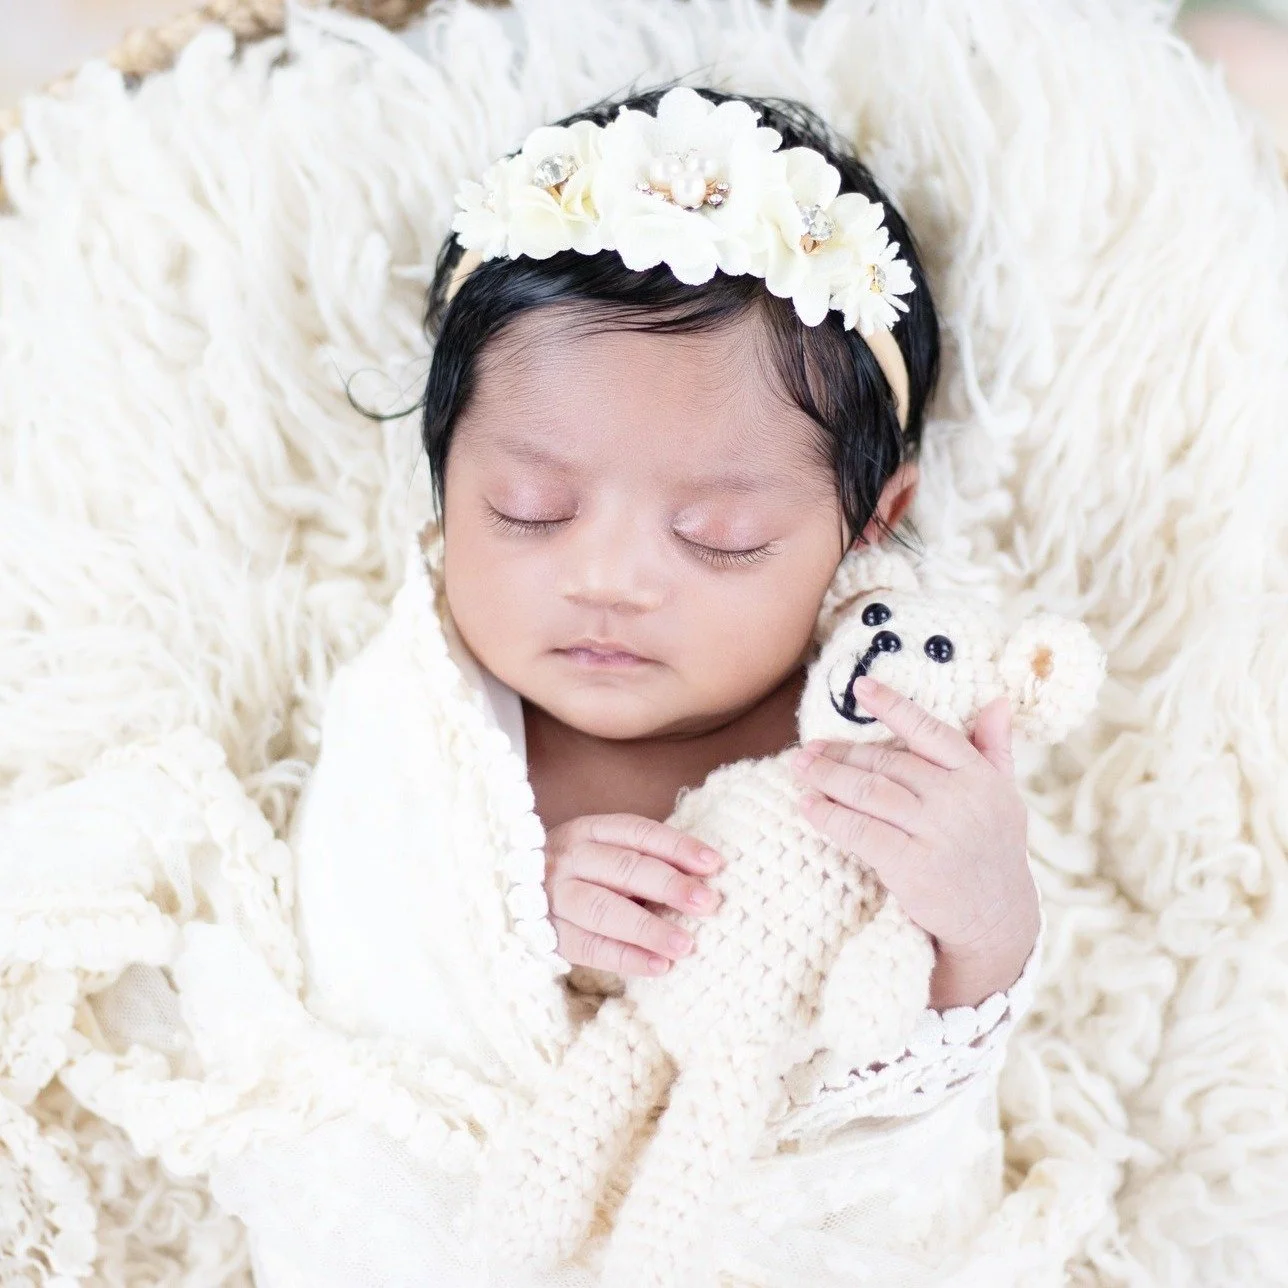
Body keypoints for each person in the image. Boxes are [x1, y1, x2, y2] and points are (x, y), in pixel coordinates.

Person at [27, 84, 1049, 1287]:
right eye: (530, 510)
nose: (607, 579)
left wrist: (985, 915)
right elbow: (352, 915)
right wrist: (511, 917)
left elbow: (922, 1090)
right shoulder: (426, 719)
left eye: (716, 536)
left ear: (871, 520)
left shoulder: (878, 725)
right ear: (444, 475)